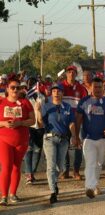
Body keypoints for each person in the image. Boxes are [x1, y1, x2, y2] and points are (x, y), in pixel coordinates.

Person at [75, 77, 105, 199]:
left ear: (103, 88)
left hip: (103, 138)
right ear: (91, 88)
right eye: (95, 87)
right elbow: (78, 119)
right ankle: (89, 187)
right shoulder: (84, 101)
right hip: (88, 138)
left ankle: (95, 184)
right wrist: (76, 136)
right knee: (91, 163)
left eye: (100, 87)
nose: (98, 89)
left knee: (98, 164)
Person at [36, 83, 76, 204]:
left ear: (62, 93)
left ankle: (54, 182)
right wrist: (38, 111)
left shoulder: (67, 107)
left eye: (58, 91)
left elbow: (71, 123)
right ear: (51, 93)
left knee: (60, 167)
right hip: (49, 138)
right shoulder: (47, 106)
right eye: (54, 91)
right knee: (51, 165)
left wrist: (74, 135)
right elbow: (41, 123)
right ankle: (53, 191)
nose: (56, 93)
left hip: (64, 139)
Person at [0, 78, 35, 206]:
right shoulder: (1, 102)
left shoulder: (25, 103)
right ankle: (4, 196)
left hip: (21, 140)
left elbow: (33, 120)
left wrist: (20, 122)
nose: (15, 90)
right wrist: (4, 123)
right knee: (7, 167)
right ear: (7, 89)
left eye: (18, 87)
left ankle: (13, 194)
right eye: (13, 87)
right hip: (4, 140)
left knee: (16, 167)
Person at [61, 65, 88, 180]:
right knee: (64, 146)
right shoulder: (60, 86)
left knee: (78, 145)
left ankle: (76, 171)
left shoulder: (81, 89)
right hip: (64, 121)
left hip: (78, 121)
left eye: (73, 72)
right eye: (69, 72)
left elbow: (85, 107)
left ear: (76, 74)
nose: (71, 74)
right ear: (66, 73)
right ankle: (65, 170)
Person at [24, 77, 45, 184]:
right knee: (29, 150)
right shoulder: (26, 98)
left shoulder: (42, 97)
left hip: (40, 127)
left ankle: (32, 172)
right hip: (29, 126)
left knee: (37, 150)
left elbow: (45, 113)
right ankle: (29, 174)